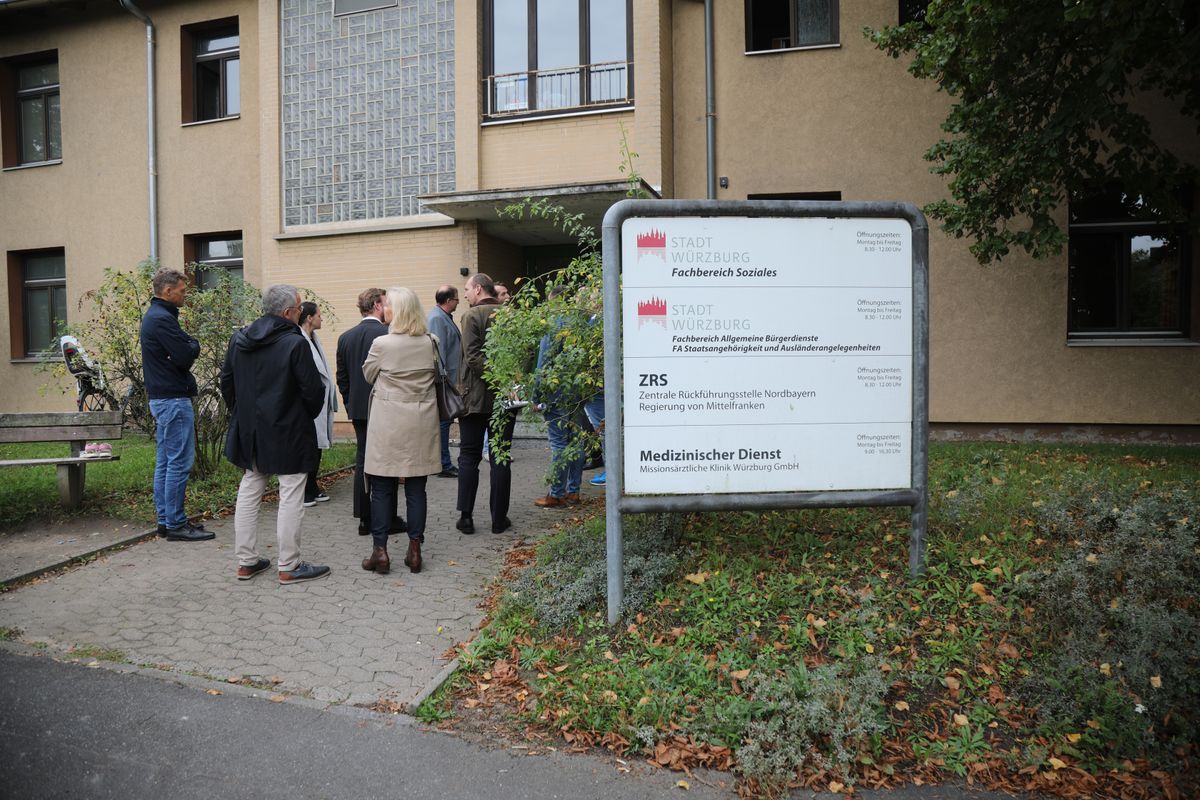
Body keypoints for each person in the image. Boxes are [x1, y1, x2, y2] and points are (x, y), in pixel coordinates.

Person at [220, 285, 330, 584]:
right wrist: (302, 415)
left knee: (250, 486)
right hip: (288, 429)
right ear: (287, 312)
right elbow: (313, 391)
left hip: (251, 430)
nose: (301, 312)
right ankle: (289, 565)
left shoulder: (239, 339)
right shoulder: (295, 344)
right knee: (291, 491)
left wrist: (243, 413)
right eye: (299, 308)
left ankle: (246, 562)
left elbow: (227, 382)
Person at [361, 287, 441, 574]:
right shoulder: (431, 342)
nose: (384, 308)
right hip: (421, 421)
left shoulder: (382, 344)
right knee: (417, 488)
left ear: (398, 311)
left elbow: (368, 374)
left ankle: (380, 552)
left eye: (388, 305)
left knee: (382, 488)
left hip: (388, 422)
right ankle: (415, 550)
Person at [139, 266, 212, 542]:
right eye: (182, 291)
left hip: (163, 398)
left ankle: (165, 520)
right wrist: (192, 344)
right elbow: (185, 353)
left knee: (165, 463)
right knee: (178, 463)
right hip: (172, 399)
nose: (185, 295)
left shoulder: (158, 316)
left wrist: (186, 346)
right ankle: (176, 524)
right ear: (167, 291)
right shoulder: (162, 319)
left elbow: (180, 352)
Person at [336, 288, 406, 537]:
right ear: (377, 305)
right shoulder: (388, 334)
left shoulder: (345, 337)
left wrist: (350, 404)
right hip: (386, 408)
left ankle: (364, 519)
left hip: (358, 410)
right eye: (386, 303)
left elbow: (342, 378)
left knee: (363, 459)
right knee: (389, 461)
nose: (388, 308)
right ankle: (388, 518)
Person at [456, 273, 517, 535]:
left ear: (479, 289)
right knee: (500, 457)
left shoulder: (471, 316)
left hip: (474, 398)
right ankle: (498, 519)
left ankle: (466, 517)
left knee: (469, 457)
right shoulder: (511, 316)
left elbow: (472, 357)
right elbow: (525, 354)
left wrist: (496, 376)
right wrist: (508, 379)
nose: (465, 294)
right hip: (505, 398)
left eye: (467, 289)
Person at [532, 287, 585, 507]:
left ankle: (555, 494)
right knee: (576, 441)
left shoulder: (554, 325)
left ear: (552, 302)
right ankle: (573, 491)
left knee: (559, 444)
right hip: (577, 392)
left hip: (556, 394)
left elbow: (544, 362)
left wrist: (536, 395)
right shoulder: (580, 324)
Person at [299, 301, 337, 506]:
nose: (322, 318)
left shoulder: (314, 339)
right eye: (319, 315)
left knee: (317, 446)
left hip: (319, 400)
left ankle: (312, 486)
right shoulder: (300, 340)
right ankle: (305, 490)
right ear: (309, 318)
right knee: (308, 447)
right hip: (307, 403)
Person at [425, 285, 461, 478]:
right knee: (443, 422)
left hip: (447, 379)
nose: (458, 302)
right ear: (448, 301)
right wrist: (443, 381)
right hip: (443, 381)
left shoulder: (443, 316)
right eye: (456, 299)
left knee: (444, 422)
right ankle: (443, 464)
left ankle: (442, 462)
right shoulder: (437, 318)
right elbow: (437, 353)